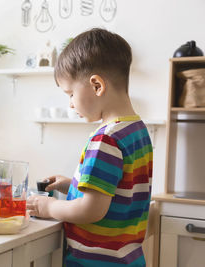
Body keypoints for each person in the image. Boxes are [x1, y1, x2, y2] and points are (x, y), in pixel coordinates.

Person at [26, 28, 153, 266]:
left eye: (71, 93)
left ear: (97, 85)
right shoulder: (136, 130)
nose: (71, 105)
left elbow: (91, 210)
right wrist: (70, 184)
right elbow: (118, 190)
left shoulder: (106, 139)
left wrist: (50, 206)